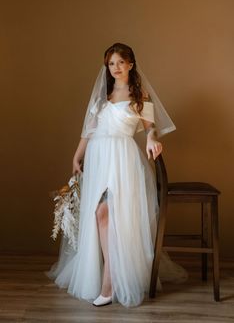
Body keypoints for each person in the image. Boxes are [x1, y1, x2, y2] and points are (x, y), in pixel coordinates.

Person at [45, 43, 187, 307]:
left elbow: (151, 128)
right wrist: (77, 155)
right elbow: (89, 128)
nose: (115, 68)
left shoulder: (139, 94)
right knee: (99, 216)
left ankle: (109, 284)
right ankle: (108, 275)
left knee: (109, 215)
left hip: (122, 158)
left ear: (131, 64)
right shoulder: (103, 94)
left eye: (120, 62)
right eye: (111, 64)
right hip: (98, 156)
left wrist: (150, 140)